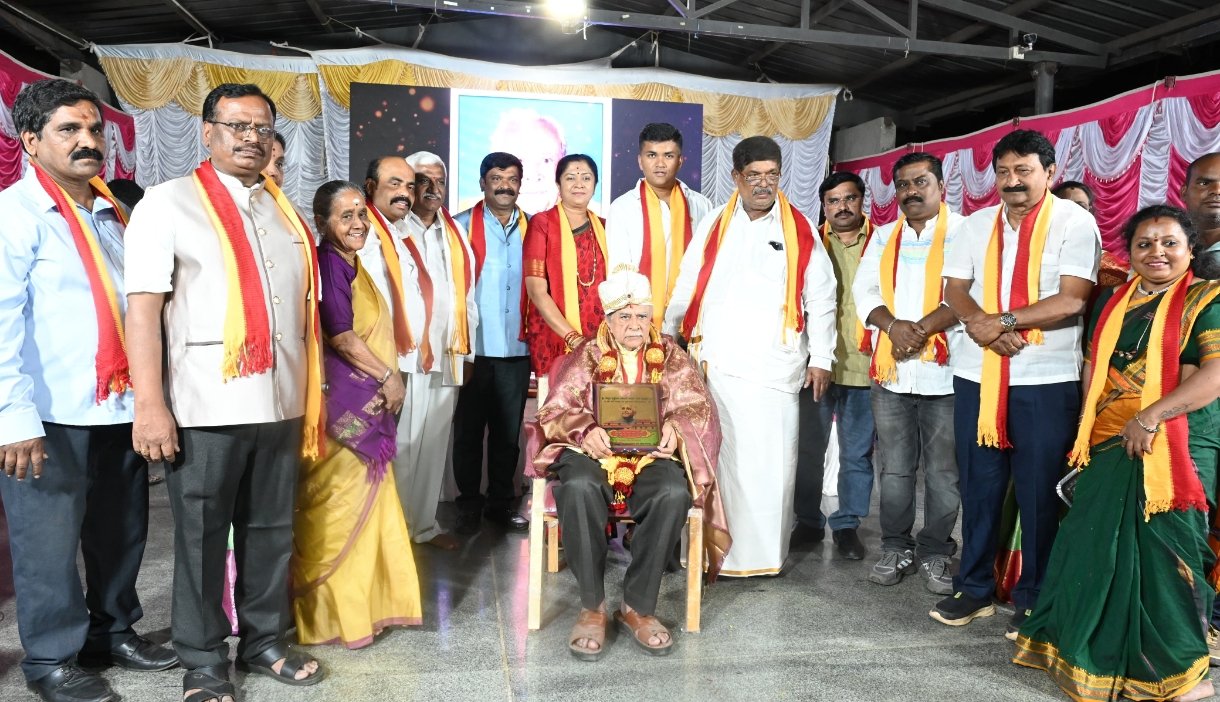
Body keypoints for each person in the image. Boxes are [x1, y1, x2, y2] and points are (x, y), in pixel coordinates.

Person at [124, 83, 325, 702]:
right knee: (201, 536)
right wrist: (150, 405)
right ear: (208, 131)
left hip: (281, 400)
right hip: (204, 403)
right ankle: (203, 659)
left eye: (262, 128)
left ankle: (263, 642)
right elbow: (143, 311)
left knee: (270, 531)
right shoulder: (166, 203)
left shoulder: (281, 207)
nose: (251, 138)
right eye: (237, 125)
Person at [0, 78, 177, 702]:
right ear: (30, 141)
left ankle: (112, 632)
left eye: (95, 129)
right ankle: (51, 659)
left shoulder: (114, 213)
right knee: (47, 547)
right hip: (48, 416)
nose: (88, 141)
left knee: (121, 532)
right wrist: (12, 417)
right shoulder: (15, 216)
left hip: (120, 405)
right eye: (69, 130)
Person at [1013, 205, 1220, 702]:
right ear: (1129, 253)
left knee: (1166, 555)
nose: (1157, 252)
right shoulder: (1113, 300)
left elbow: (1214, 375)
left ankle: (1180, 673)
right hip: (1108, 439)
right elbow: (1094, 367)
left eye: (1169, 243)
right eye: (1144, 244)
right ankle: (1094, 651)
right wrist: (1087, 428)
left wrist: (1150, 417)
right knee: (1094, 546)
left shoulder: (1207, 300)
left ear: (1190, 249)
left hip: (1178, 442)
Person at [936, 129, 1100, 634]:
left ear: (1049, 173)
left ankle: (1034, 596)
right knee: (979, 488)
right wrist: (982, 326)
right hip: (977, 375)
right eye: (1003, 172)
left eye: (1023, 171)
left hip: (1044, 379)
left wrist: (1003, 322)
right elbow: (954, 289)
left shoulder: (1074, 222)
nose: (1012, 181)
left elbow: (1073, 299)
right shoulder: (976, 224)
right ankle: (974, 588)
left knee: (1038, 493)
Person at [529, 269, 729, 661]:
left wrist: (675, 428)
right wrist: (584, 429)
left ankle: (637, 606)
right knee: (578, 486)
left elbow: (699, 407)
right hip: (592, 454)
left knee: (672, 492)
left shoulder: (670, 355)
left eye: (641, 315)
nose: (634, 325)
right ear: (607, 319)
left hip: (651, 456)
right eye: (624, 316)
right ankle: (592, 607)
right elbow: (554, 411)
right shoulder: (587, 355)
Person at [665, 135, 836, 577]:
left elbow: (822, 296)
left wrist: (822, 357)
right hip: (716, 367)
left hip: (772, 370)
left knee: (770, 466)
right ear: (736, 177)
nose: (764, 183)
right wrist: (667, 333)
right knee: (718, 462)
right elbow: (687, 282)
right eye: (754, 175)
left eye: (772, 174)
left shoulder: (800, 229)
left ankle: (762, 558)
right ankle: (710, 551)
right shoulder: (714, 224)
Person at [291, 180, 422, 649]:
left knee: (367, 507)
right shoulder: (329, 263)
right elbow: (341, 336)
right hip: (344, 411)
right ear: (322, 222)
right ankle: (331, 616)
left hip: (364, 403)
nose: (358, 223)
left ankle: (365, 609)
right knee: (338, 509)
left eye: (361, 214)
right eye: (345, 216)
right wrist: (388, 376)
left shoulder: (351, 263)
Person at [853, 153, 964, 594]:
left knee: (943, 473)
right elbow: (865, 291)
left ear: (941, 186)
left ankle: (936, 551)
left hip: (947, 373)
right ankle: (895, 546)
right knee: (895, 470)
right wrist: (893, 327)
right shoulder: (883, 237)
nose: (911, 191)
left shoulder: (966, 233)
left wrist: (920, 330)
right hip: (892, 372)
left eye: (921, 182)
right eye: (903, 185)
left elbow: (968, 292)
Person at [790, 171, 876, 560]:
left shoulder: (882, 243)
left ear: (862, 200)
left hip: (864, 365)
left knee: (856, 453)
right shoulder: (807, 244)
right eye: (833, 201)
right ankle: (808, 521)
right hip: (815, 366)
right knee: (809, 449)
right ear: (823, 206)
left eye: (849, 198)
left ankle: (846, 525)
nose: (842, 207)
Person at [400, 150, 479, 550]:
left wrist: (468, 352)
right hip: (407, 355)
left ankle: (423, 525)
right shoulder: (394, 229)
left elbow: (468, 297)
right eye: (423, 180)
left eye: (440, 181)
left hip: (448, 353)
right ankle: (394, 531)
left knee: (433, 443)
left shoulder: (455, 233)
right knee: (403, 444)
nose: (433, 189)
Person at [452, 152, 532, 534]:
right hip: (474, 349)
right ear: (482, 182)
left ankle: (500, 504)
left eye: (512, 179)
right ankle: (468, 504)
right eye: (497, 178)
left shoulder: (535, 228)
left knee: (507, 435)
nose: (504, 186)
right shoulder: (460, 226)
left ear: (520, 184)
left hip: (517, 348)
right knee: (468, 432)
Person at [606, 122, 714, 329]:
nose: (660, 163)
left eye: (669, 156)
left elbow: (705, 265)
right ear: (640, 161)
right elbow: (618, 273)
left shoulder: (701, 205)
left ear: (680, 161)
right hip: (638, 322)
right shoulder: (622, 208)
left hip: (690, 317)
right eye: (652, 155)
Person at [524, 154, 609, 401]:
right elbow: (536, 290)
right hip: (556, 335)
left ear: (595, 184)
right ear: (558, 184)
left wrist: (597, 341)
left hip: (599, 339)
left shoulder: (605, 227)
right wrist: (572, 337)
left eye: (586, 178)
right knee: (556, 409)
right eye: (571, 178)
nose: (579, 184)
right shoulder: (542, 224)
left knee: (598, 408)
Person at [1181, 150, 1220, 666]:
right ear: (1186, 191)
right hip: (1188, 411)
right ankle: (1194, 620)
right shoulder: (1171, 252)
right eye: (1205, 182)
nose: (1216, 191)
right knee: (1194, 516)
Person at [490, 109, 565, 216]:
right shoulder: (468, 222)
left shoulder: (588, 220)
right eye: (519, 161)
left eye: (546, 160)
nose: (533, 175)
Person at [1054, 180, 1128, 287]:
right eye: (1065, 206)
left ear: (1090, 212)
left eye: (1080, 206)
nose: (1073, 212)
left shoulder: (1115, 271)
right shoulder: (1035, 256)